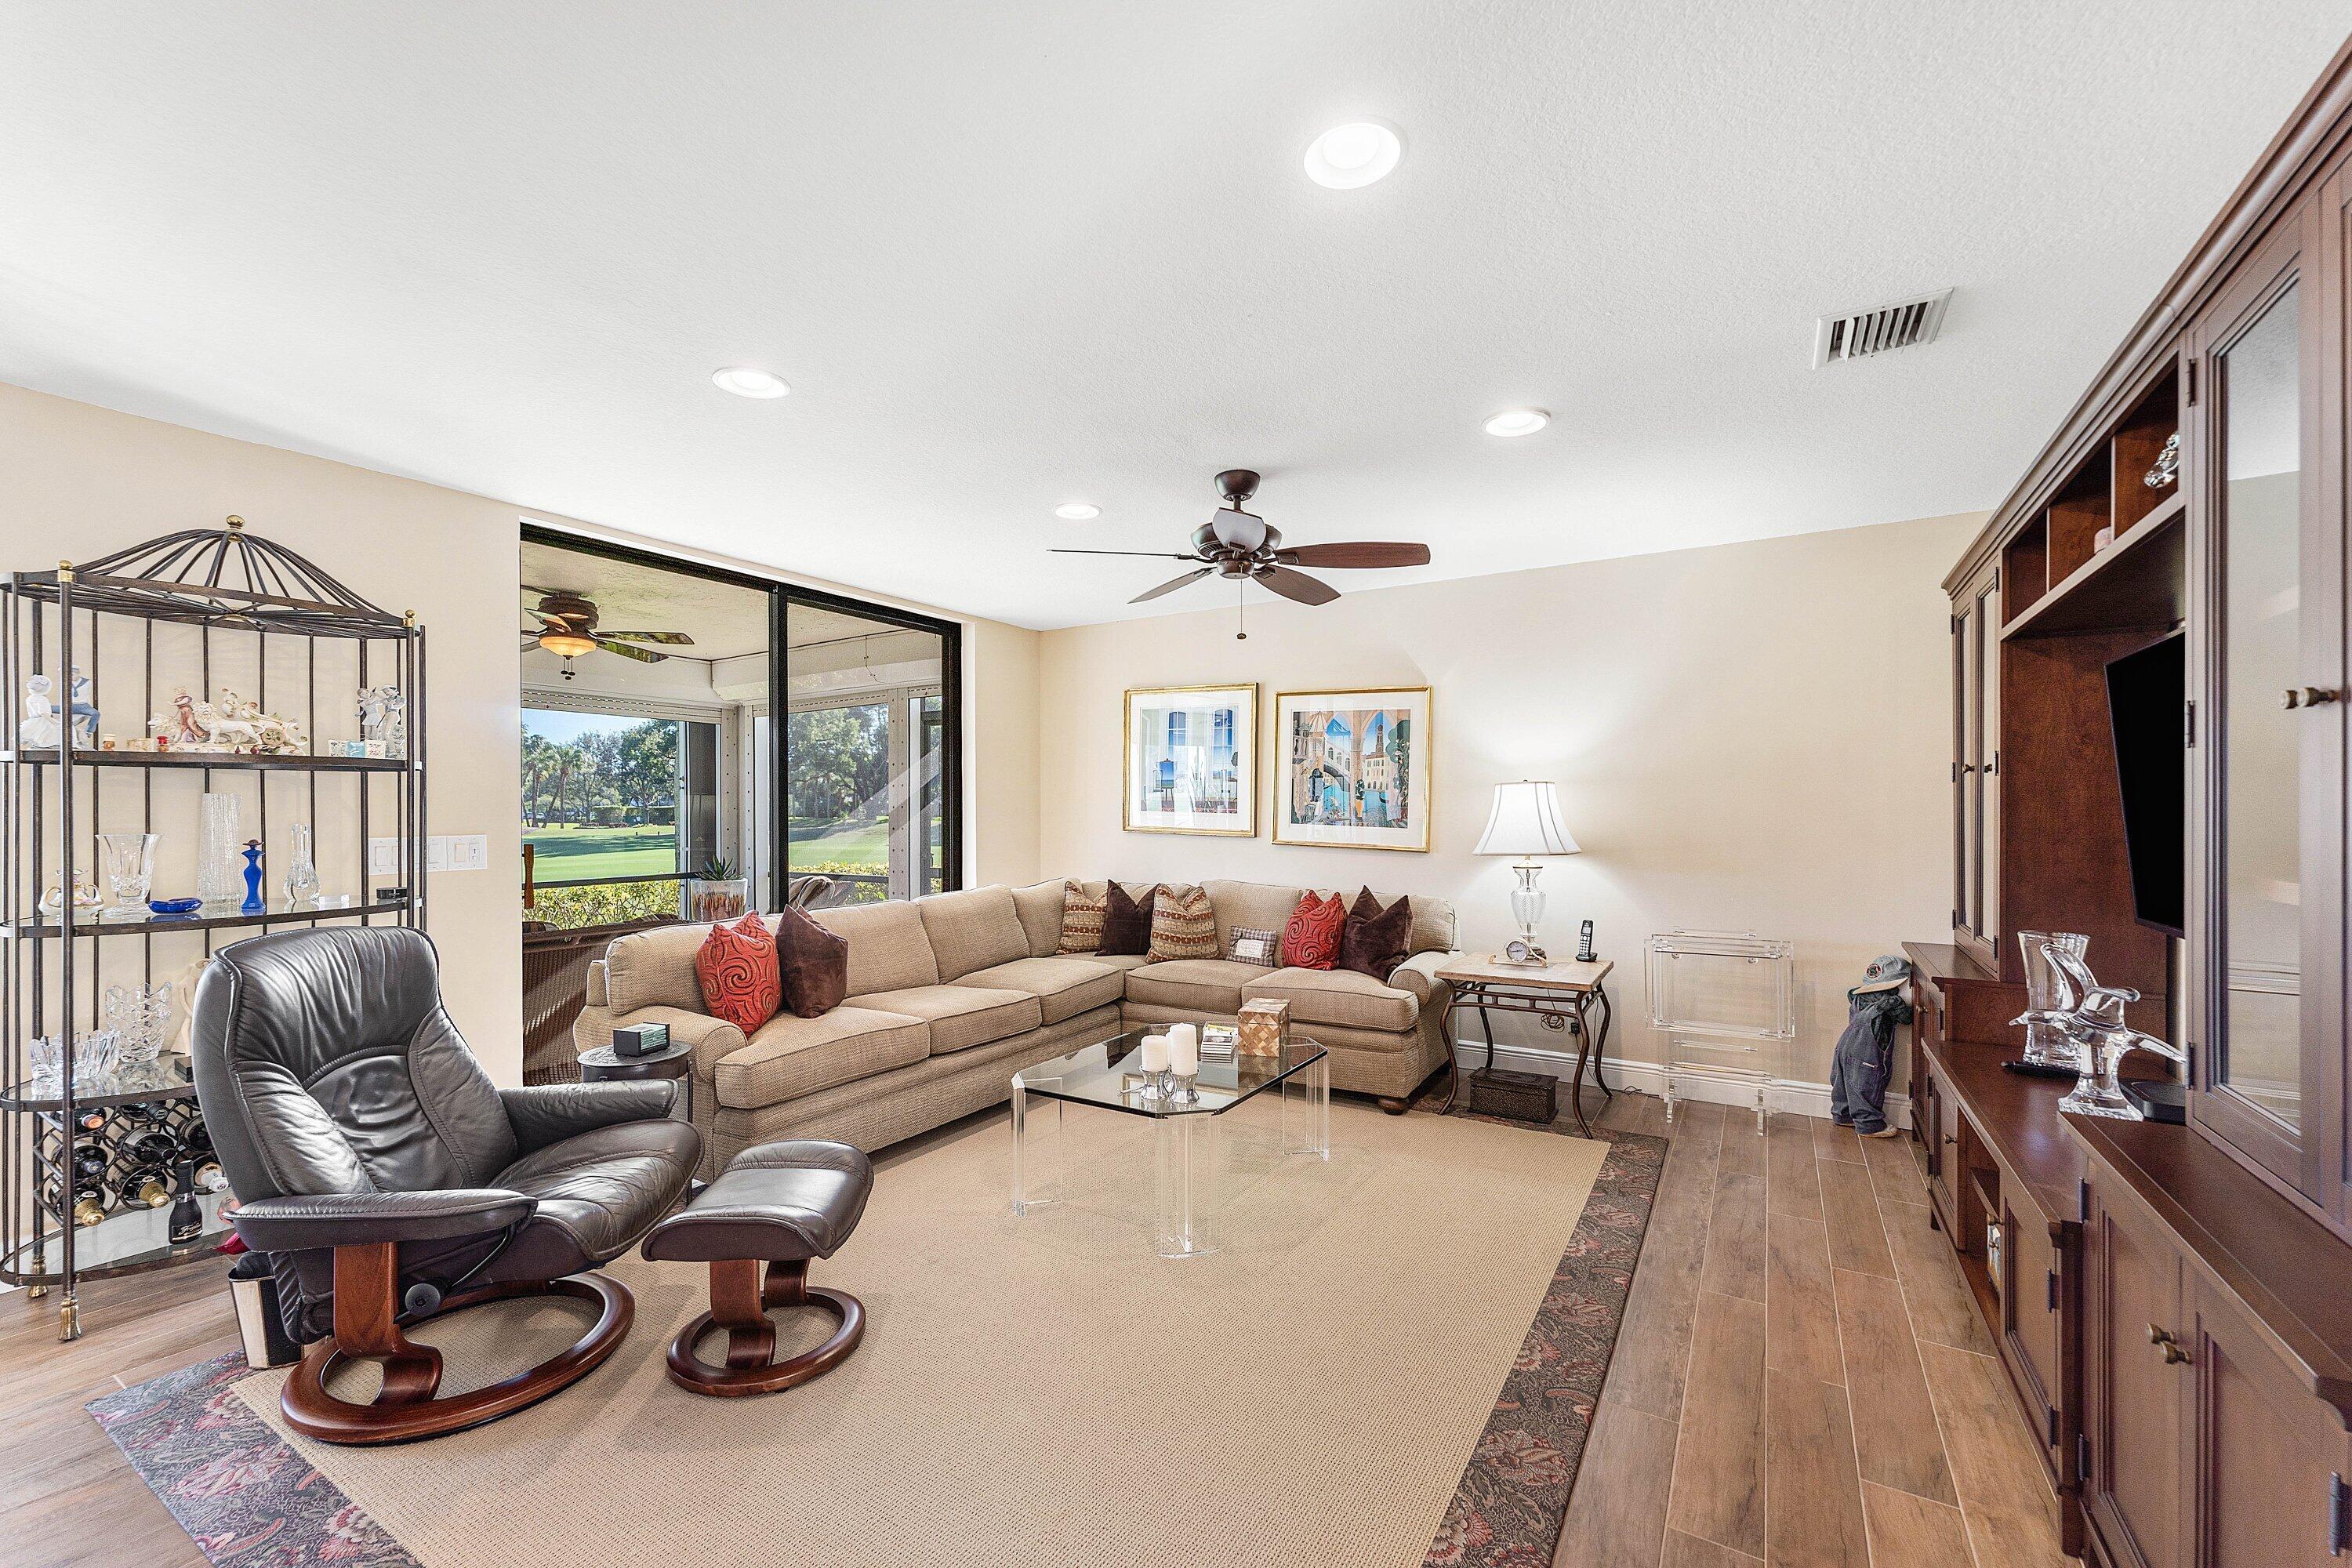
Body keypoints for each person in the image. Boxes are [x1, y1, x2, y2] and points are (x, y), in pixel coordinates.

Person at [1830, 953, 1912, 1138]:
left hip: (1844, 1045)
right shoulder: (1892, 1002)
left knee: (1842, 1083)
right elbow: (1908, 1018)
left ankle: (1842, 1115)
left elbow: (1851, 994)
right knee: (1866, 1085)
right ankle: (1870, 1125)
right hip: (1867, 1052)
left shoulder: (1858, 997)